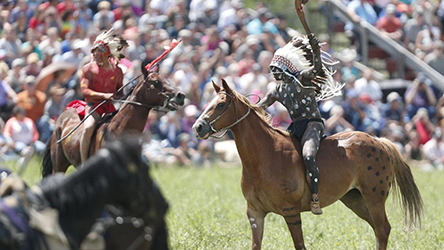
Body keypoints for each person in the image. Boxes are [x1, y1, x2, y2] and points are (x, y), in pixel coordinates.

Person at [258, 34, 344, 215]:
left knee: (308, 156)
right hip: (295, 127)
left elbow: (317, 68)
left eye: (277, 68)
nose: (274, 72)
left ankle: (315, 197)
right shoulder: (276, 91)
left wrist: (316, 50)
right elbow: (260, 106)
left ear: (286, 68)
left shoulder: (303, 79)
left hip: (313, 124)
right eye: (272, 69)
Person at [79, 28, 127, 164]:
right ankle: (84, 163)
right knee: (88, 128)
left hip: (111, 108)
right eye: (95, 51)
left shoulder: (117, 71)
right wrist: (104, 95)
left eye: (100, 51)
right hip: (94, 107)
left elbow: (120, 93)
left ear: (108, 54)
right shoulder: (88, 68)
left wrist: (123, 97)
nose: (96, 54)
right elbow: (85, 91)